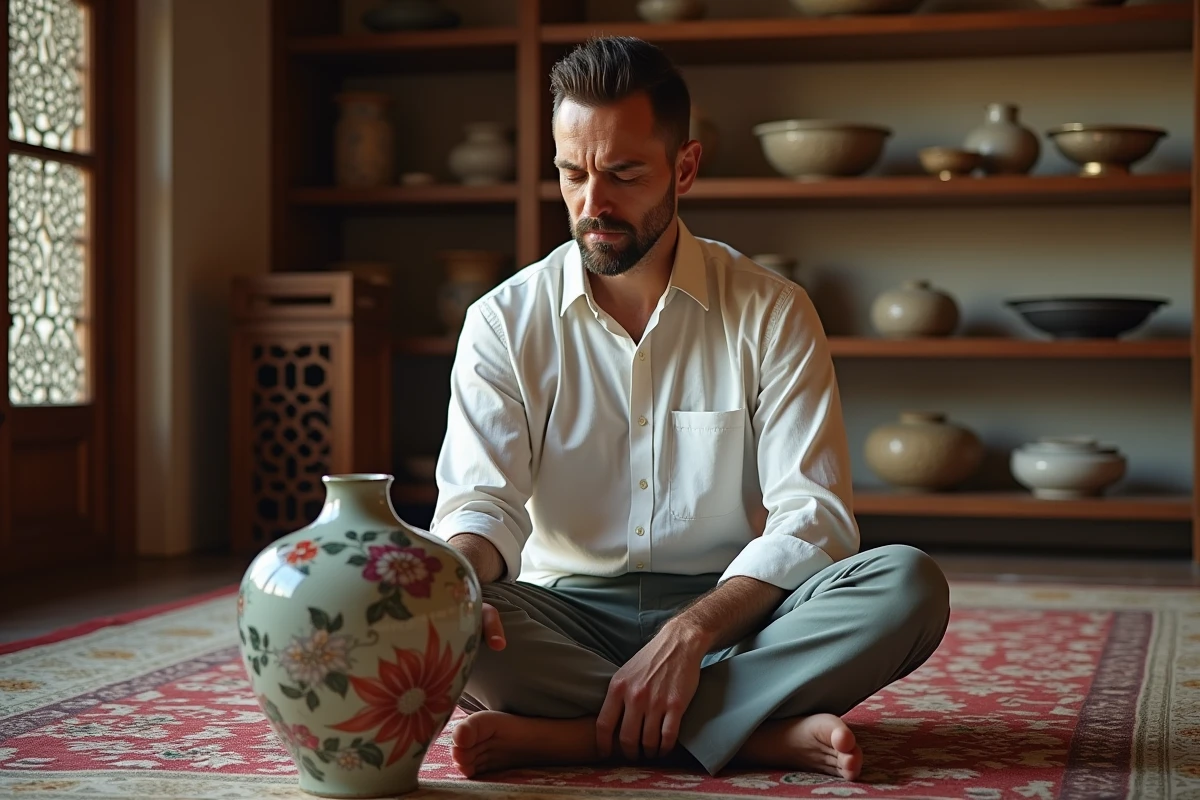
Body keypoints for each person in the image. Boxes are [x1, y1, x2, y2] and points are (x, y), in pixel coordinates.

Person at [428, 35, 950, 783]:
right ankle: (755, 734)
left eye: (624, 174)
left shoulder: (773, 311)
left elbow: (813, 514)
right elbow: (482, 503)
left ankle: (583, 734)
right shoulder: (503, 322)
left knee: (908, 585)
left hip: (735, 615)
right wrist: (457, 586)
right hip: (561, 612)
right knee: (445, 617)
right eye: (572, 174)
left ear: (686, 167)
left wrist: (691, 632)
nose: (592, 204)